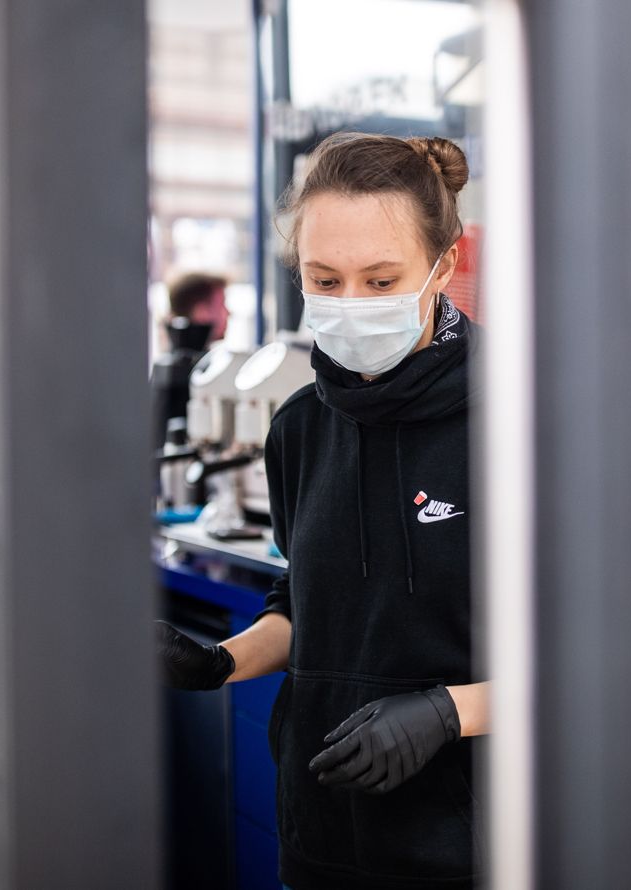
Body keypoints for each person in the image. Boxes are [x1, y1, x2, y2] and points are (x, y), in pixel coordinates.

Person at [157, 132, 488, 890]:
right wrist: (223, 662)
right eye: (324, 279)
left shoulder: (521, 423)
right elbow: (305, 603)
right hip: (320, 833)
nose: (350, 305)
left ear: (444, 265)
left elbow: (595, 663)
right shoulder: (299, 427)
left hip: (472, 847)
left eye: (381, 280)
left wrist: (448, 713)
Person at [150, 272, 229, 451]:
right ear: (201, 311)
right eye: (222, 305)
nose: (228, 313)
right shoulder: (193, 372)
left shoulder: (165, 366)